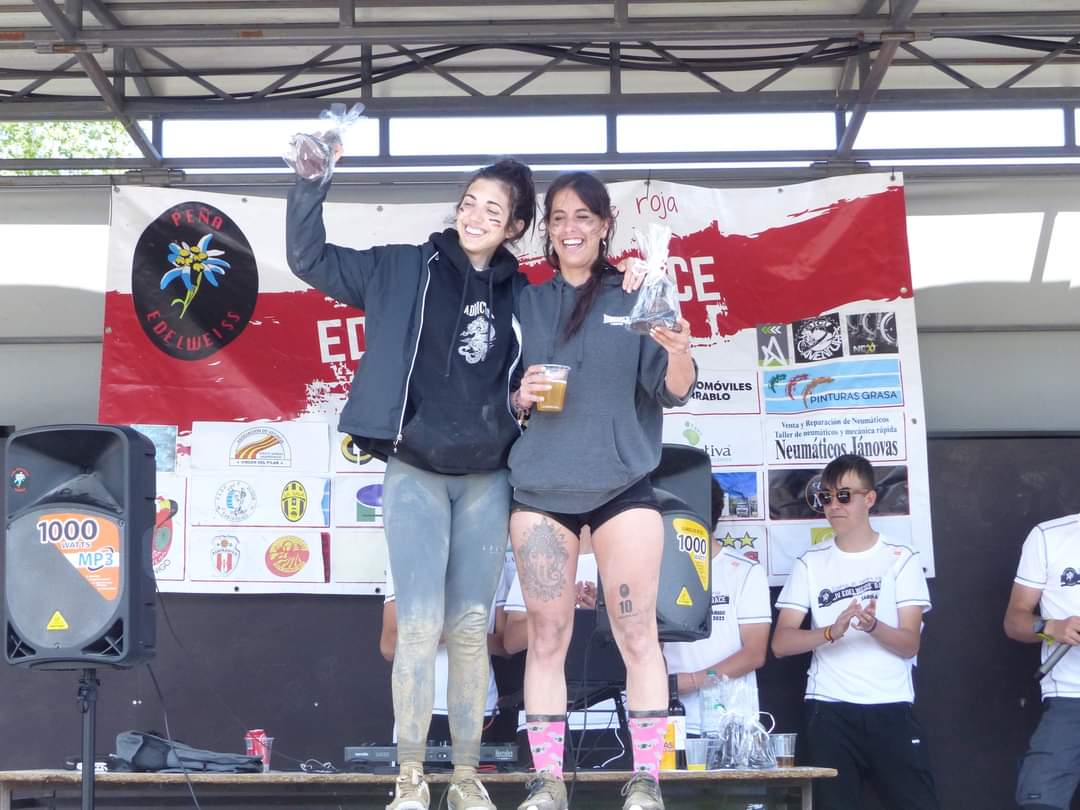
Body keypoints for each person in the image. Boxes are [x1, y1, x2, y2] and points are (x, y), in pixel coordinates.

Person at [286, 153, 536, 810]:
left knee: (473, 625)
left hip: (487, 475)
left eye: (494, 208)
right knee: (421, 625)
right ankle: (410, 779)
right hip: (415, 469)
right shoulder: (399, 267)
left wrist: (527, 397)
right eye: (470, 200)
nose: (476, 214)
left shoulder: (523, 294)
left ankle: (466, 778)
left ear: (514, 227)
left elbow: (544, 371)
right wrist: (311, 181)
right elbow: (308, 259)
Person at [506, 171, 697, 810]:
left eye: (583, 217)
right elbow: (492, 396)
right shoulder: (524, 302)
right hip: (540, 487)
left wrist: (679, 346)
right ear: (546, 230)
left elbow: (675, 387)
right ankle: (548, 782)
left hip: (624, 485)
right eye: (558, 218)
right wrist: (516, 396)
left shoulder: (638, 291)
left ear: (605, 225)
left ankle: (646, 779)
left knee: (637, 631)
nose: (570, 228)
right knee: (548, 634)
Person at [771, 453, 939, 810]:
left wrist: (873, 626)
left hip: (891, 707)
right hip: (829, 711)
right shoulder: (809, 562)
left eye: (844, 495)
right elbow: (782, 643)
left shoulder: (902, 558)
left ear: (870, 498)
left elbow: (909, 644)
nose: (833, 505)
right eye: (825, 497)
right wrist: (831, 631)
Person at [662, 479, 771, 736]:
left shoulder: (744, 571)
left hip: (731, 721)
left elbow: (754, 653)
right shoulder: (654, 572)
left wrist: (689, 681)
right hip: (668, 718)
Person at [380, 555, 515, 746]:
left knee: (478, 776)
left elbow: (507, 646)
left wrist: (468, 635)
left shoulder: (492, 557)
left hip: (479, 707)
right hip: (418, 707)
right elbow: (389, 645)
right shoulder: (408, 554)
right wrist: (452, 630)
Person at [1004, 512, 1080, 810]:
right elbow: (1014, 621)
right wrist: (1052, 628)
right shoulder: (1049, 536)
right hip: (1070, 698)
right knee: (1039, 801)